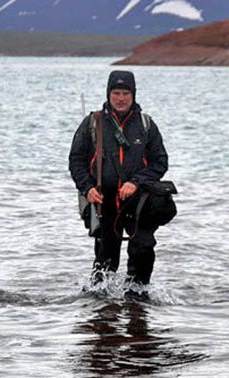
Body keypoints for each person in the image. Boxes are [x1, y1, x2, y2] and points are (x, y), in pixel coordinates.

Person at [69, 70, 168, 291]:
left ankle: (138, 298)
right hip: (104, 202)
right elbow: (76, 161)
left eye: (125, 93)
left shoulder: (146, 124)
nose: (120, 98)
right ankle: (101, 310)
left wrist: (136, 182)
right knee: (106, 259)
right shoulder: (92, 124)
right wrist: (87, 188)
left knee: (143, 248)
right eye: (116, 93)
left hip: (138, 201)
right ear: (108, 94)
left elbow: (160, 163)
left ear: (133, 94)